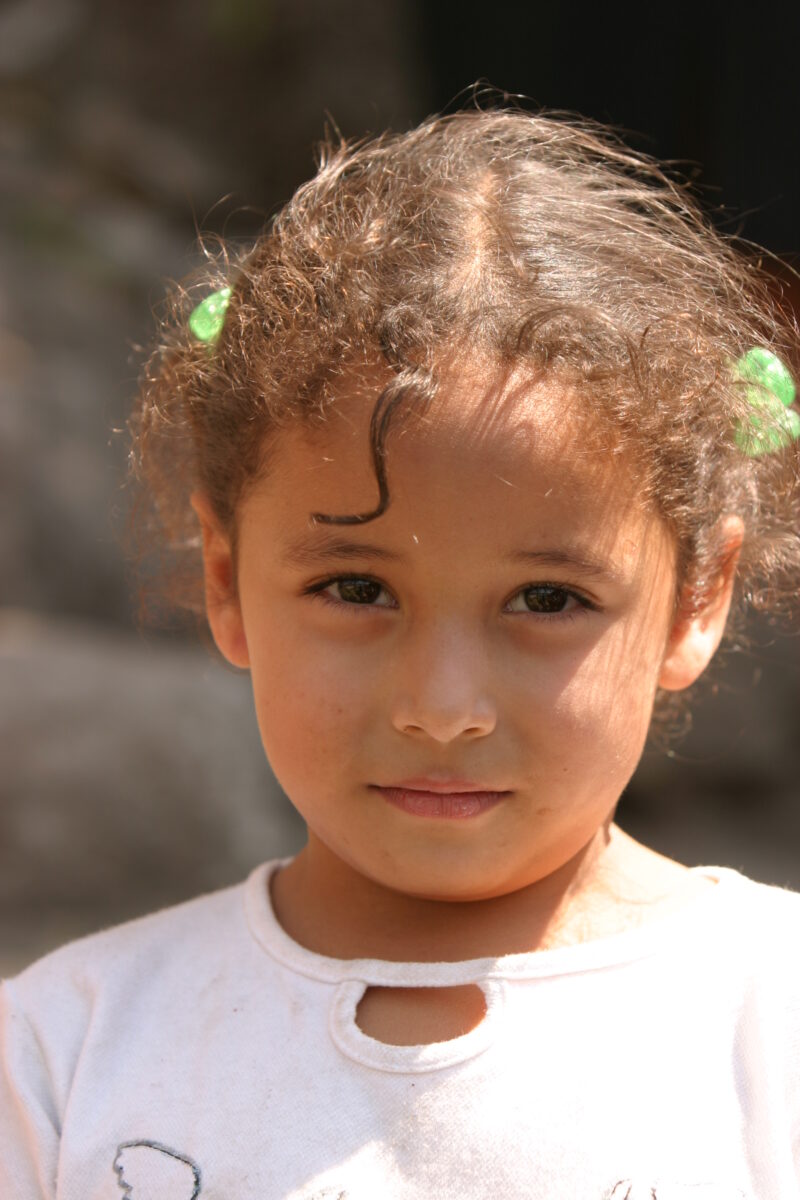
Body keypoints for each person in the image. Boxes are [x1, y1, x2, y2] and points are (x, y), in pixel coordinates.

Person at [2, 103, 799, 1200]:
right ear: (228, 583)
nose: (442, 705)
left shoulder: (771, 1022)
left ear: (694, 596)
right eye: (356, 589)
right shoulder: (65, 1058)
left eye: (547, 600)